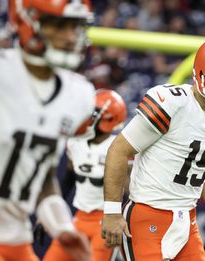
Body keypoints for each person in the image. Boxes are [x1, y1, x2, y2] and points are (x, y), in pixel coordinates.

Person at [101, 37, 205, 261]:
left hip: (187, 219)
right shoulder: (171, 103)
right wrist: (112, 211)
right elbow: (118, 151)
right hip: (148, 214)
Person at [0, 1, 96, 260]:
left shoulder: (79, 96)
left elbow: (42, 176)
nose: (70, 36)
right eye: (59, 25)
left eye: (75, 26)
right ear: (26, 21)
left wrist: (61, 227)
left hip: (17, 238)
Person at [44, 89, 127, 261]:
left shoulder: (119, 147)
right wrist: (49, 212)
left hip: (106, 221)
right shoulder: (75, 143)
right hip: (79, 218)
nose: (86, 119)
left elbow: (130, 190)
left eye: (92, 115)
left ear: (108, 120)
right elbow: (66, 182)